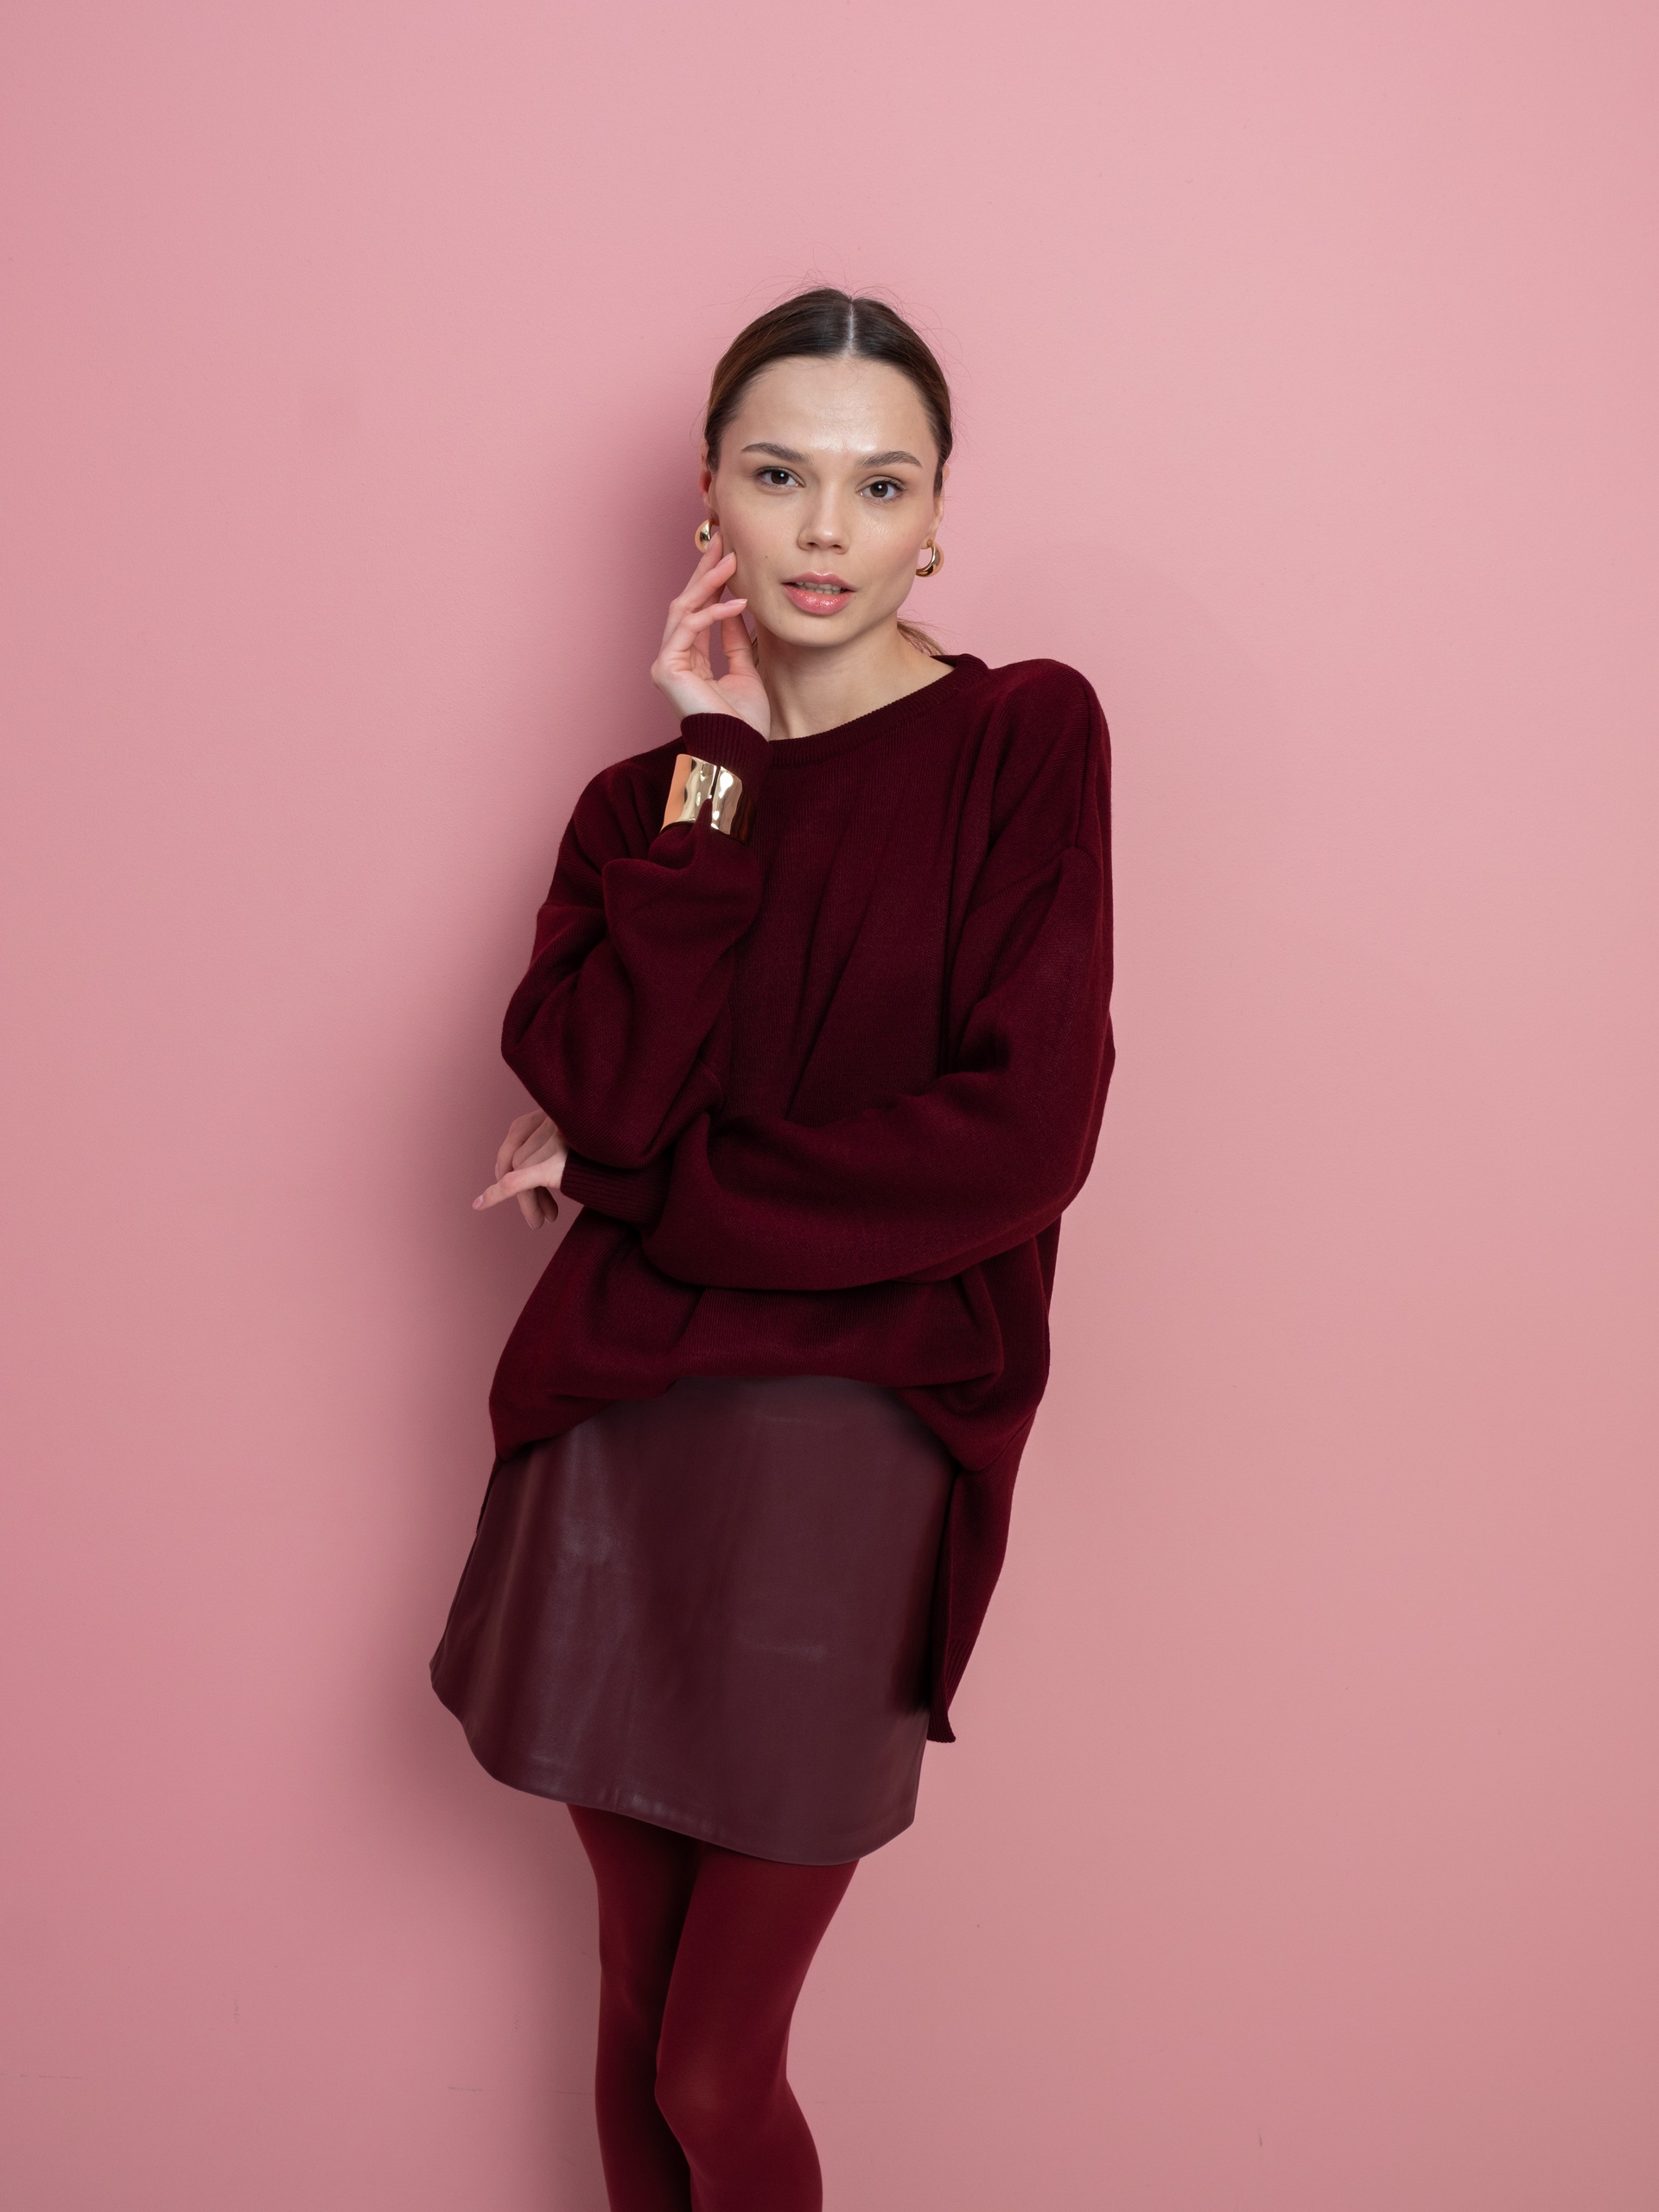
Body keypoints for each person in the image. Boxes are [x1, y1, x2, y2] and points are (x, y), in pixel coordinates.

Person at [431, 286, 1115, 2212]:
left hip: (856, 1437)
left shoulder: (1023, 735)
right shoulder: (646, 810)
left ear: (939, 516)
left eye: (880, 483)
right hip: (615, 1430)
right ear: (710, 502)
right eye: (780, 474)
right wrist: (716, 764)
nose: (827, 529)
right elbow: (606, 1083)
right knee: (635, 2014)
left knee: (719, 2069)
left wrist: (640, 1185)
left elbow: (1018, 1141)